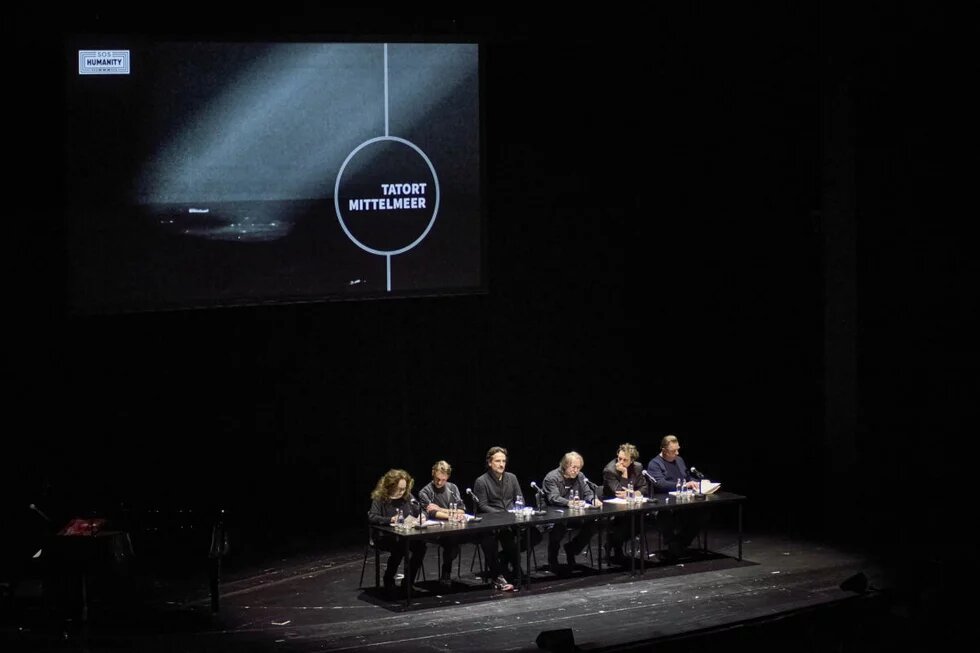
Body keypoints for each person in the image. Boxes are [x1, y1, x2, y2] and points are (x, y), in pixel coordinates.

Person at [472, 446, 540, 591]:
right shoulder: (481, 481)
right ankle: (507, 572)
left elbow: (519, 499)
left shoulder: (512, 478)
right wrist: (502, 515)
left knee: (534, 534)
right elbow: (482, 506)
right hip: (493, 522)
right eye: (497, 461)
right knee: (504, 539)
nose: (501, 464)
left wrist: (516, 512)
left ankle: (504, 558)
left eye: (503, 461)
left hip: (512, 519)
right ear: (490, 463)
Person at [646, 434, 710, 560]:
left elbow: (687, 477)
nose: (677, 452)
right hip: (664, 503)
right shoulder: (655, 464)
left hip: (683, 501)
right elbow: (660, 484)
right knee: (665, 516)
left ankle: (681, 543)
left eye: (678, 449)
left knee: (703, 513)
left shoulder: (679, 460)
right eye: (673, 451)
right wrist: (684, 485)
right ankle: (673, 544)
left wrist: (695, 482)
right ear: (664, 450)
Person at [367, 469, 427, 598]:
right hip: (384, 536)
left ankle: (408, 582)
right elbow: (372, 517)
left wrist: (422, 515)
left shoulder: (407, 496)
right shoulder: (381, 498)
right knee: (399, 548)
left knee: (421, 547)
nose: (402, 492)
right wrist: (390, 520)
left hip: (405, 535)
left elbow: (420, 509)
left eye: (404, 489)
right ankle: (388, 579)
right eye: (399, 489)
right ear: (391, 486)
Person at [542, 451, 601, 570]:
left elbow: (588, 492)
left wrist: (593, 499)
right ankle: (552, 560)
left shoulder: (580, 476)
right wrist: (569, 503)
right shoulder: (551, 478)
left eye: (578, 468)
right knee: (558, 528)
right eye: (573, 467)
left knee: (595, 524)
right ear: (565, 465)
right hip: (555, 516)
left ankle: (572, 549)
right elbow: (554, 498)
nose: (576, 470)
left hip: (575, 515)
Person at [417, 460, 466, 587]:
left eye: (443, 480)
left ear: (448, 477)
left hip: (455, 526)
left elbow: (461, 509)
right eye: (437, 479)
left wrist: (441, 509)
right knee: (451, 542)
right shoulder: (425, 492)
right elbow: (432, 513)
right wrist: (451, 516)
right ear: (433, 473)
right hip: (436, 529)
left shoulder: (453, 488)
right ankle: (446, 572)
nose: (440, 482)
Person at [600, 443, 648, 563]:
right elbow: (619, 493)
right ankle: (616, 545)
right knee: (627, 521)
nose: (620, 462)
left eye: (625, 460)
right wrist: (625, 475)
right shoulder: (609, 470)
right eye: (619, 458)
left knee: (644, 521)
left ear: (632, 460)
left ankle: (612, 542)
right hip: (612, 507)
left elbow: (644, 488)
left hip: (631, 505)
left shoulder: (638, 467)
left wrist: (632, 493)